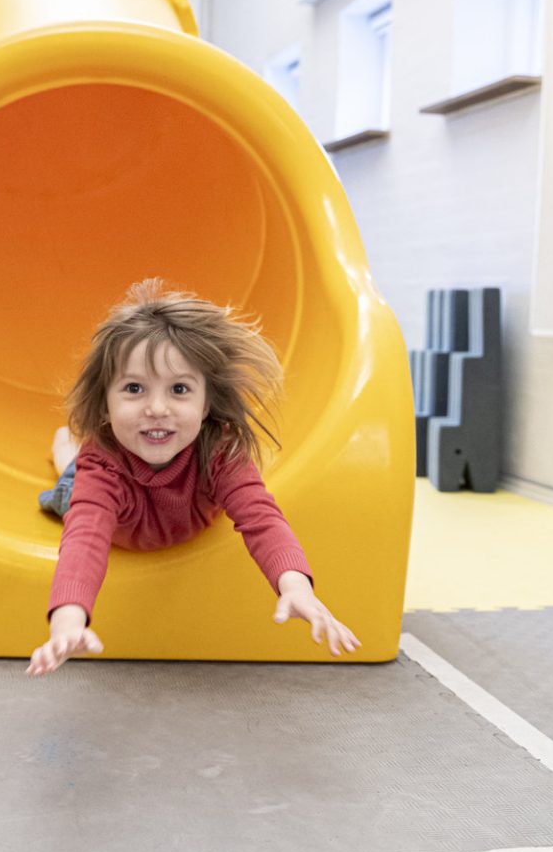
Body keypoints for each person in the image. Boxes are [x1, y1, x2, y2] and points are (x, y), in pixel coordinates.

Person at [26, 279, 360, 676]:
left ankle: (69, 449)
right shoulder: (103, 467)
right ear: (105, 404)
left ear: (205, 406)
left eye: (179, 389)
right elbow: (84, 541)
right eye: (134, 388)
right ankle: (67, 450)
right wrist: (68, 624)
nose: (157, 408)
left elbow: (261, 518)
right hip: (113, 510)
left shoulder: (219, 451)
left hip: (162, 508)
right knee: (68, 484)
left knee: (77, 463)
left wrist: (296, 587)